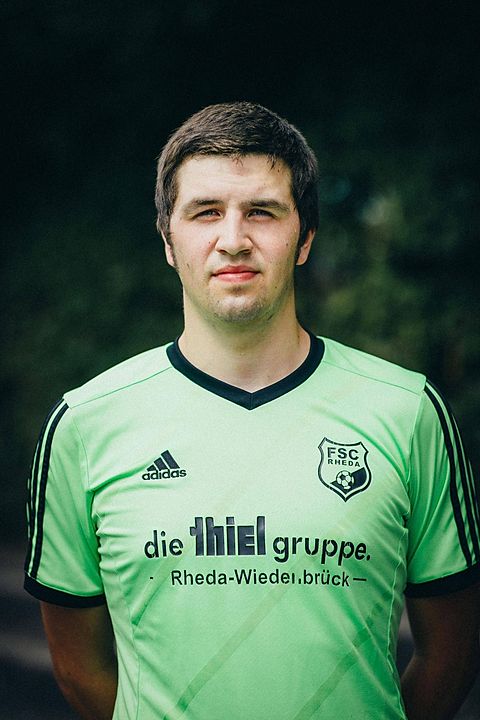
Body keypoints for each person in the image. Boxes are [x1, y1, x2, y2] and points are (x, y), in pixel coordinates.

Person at [25, 102, 480, 720]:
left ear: (305, 238)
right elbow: (80, 668)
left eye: (262, 211)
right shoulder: (84, 425)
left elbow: (452, 651)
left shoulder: (408, 412)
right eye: (205, 212)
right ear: (168, 240)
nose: (234, 239)